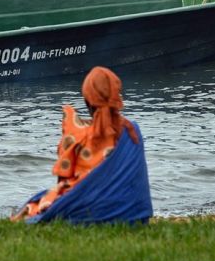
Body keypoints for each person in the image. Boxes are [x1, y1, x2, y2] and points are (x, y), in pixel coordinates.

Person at [11, 67, 152, 224]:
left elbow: (65, 180)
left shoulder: (80, 135)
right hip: (135, 215)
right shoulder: (133, 130)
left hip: (93, 213)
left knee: (40, 200)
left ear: (88, 101)